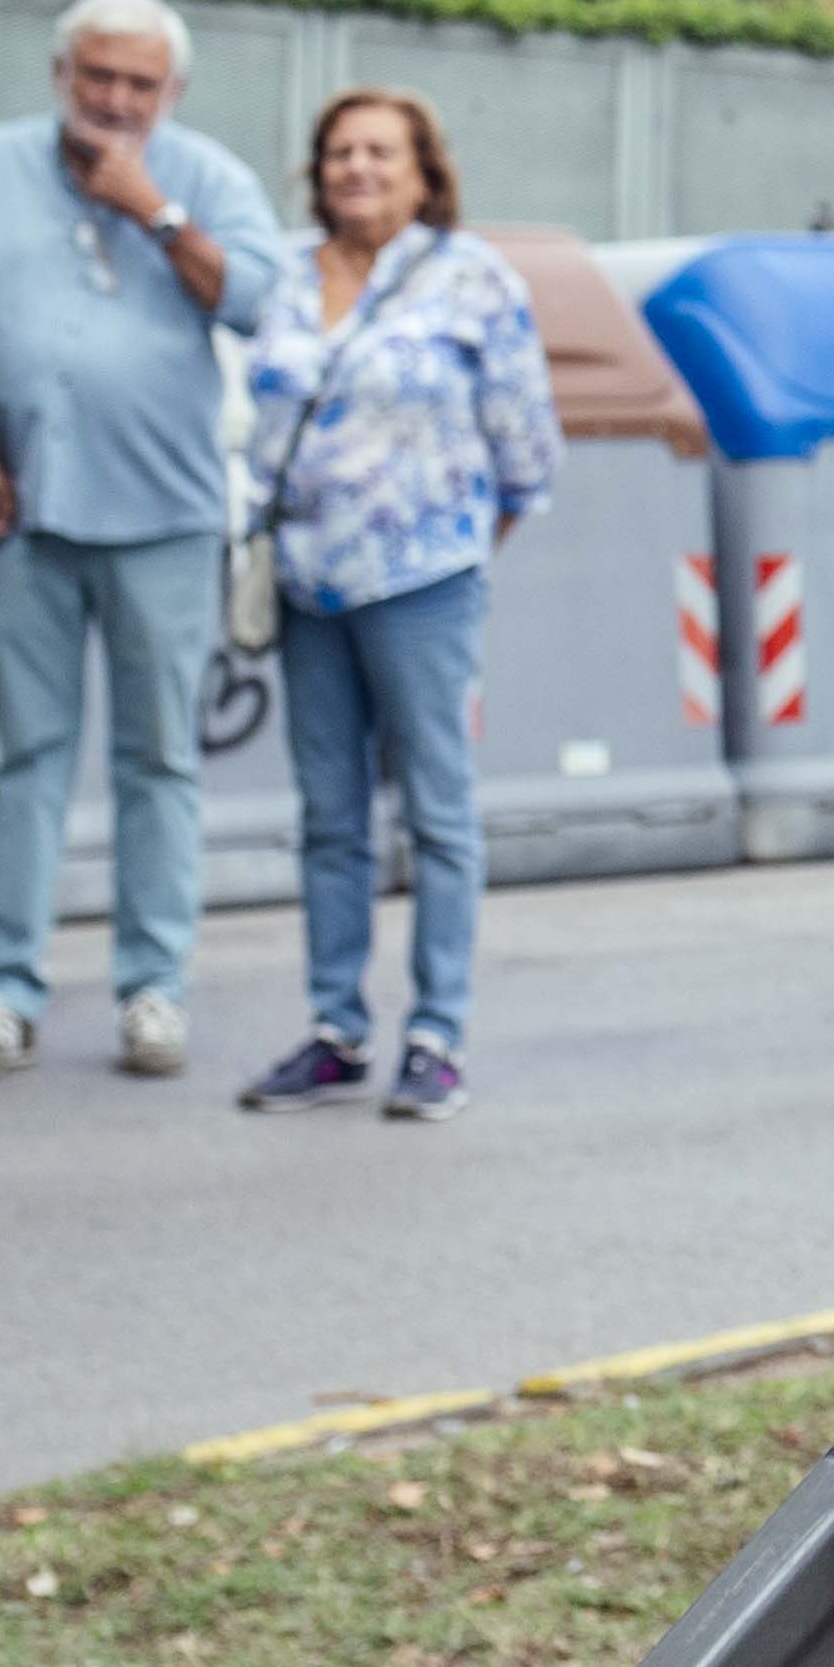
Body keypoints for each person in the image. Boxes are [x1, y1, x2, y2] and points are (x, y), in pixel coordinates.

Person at [0, 0, 287, 1082]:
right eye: (99, 78)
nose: (117, 100)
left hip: (164, 515)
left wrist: (155, 211)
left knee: (159, 757)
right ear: (61, 77)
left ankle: (154, 990)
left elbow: (261, 302)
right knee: (28, 756)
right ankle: (6, 991)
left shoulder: (210, 175)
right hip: (24, 507)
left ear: (171, 90)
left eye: (140, 83)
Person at [233, 90, 559, 1125]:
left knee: (436, 809)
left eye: (380, 152)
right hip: (307, 584)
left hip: (423, 582)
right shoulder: (287, 275)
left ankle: (436, 1035)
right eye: (338, 153)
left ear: (424, 170)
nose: (356, 169)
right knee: (330, 814)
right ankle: (336, 1029)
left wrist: (454, 547)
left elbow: (527, 449)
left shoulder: (472, 278)